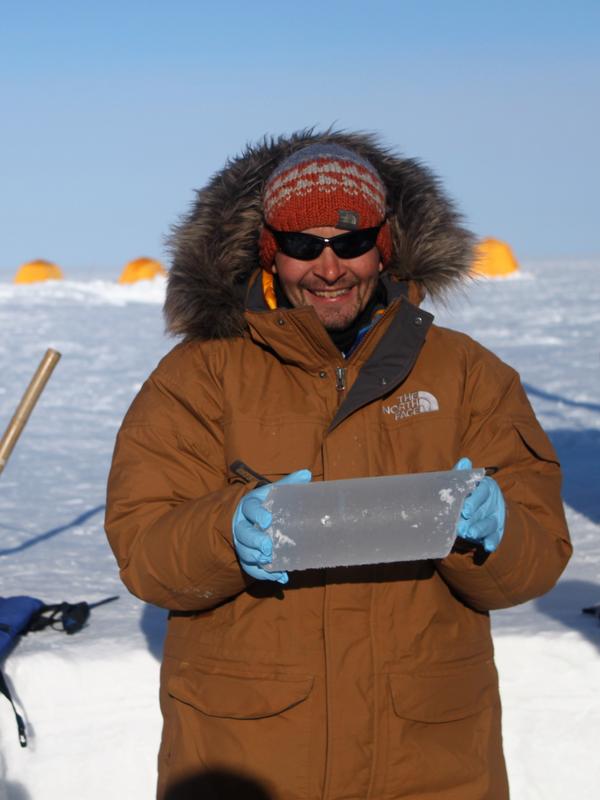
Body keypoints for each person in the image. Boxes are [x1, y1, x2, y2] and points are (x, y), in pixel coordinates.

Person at [105, 131, 572, 800]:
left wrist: (496, 532)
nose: (329, 268)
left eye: (351, 242)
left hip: (431, 763)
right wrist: (223, 533)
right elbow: (145, 553)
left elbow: (534, 563)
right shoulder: (198, 378)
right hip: (252, 756)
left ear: (383, 245)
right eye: (302, 245)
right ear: (270, 249)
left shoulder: (469, 375)